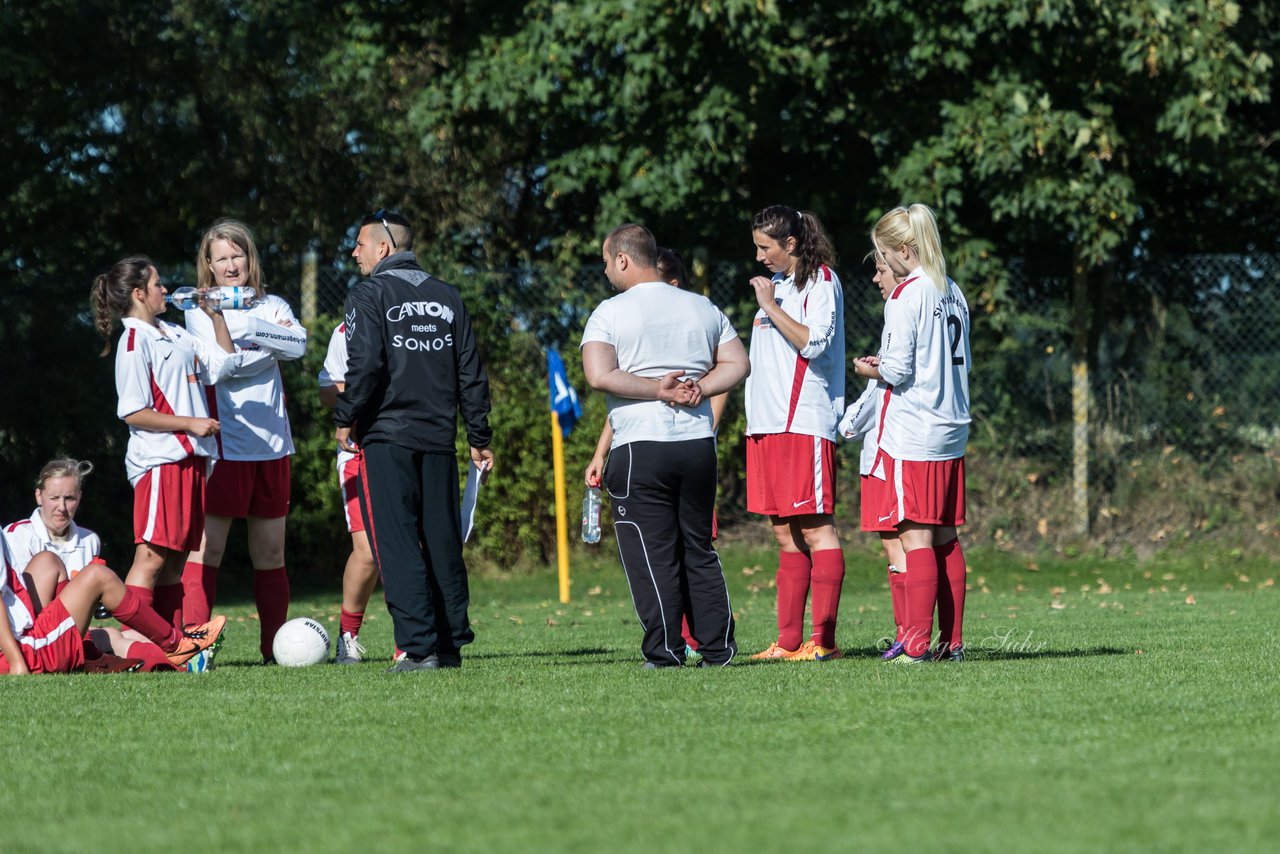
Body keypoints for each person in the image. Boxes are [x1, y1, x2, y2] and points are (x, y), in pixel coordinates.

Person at [581, 223, 749, 668]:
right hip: (696, 444)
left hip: (640, 446)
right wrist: (700, 388)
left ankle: (666, 650)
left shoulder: (609, 312)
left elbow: (599, 374)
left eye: (605, 261)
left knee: (651, 551)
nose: (604, 270)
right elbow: (739, 363)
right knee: (697, 546)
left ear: (622, 259)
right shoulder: (701, 306)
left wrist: (659, 390)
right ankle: (717, 649)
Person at [334, 209, 494, 673]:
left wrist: (347, 417)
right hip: (440, 439)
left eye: (360, 244)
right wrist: (478, 435)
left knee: (398, 541)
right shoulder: (448, 296)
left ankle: (418, 647)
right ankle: (448, 646)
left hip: (387, 435)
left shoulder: (369, 293)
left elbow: (366, 365)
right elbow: (471, 373)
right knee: (442, 540)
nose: (354, 252)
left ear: (384, 248)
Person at [90, 254, 247, 642]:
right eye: (158, 284)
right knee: (152, 557)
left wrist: (216, 316)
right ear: (140, 293)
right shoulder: (132, 341)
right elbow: (133, 412)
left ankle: (172, 646)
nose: (166, 289)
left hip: (193, 460)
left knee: (176, 559)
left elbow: (225, 364)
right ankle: (134, 645)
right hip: (161, 462)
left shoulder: (174, 333)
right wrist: (190, 423)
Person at [181, 219, 308, 664]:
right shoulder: (196, 311)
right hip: (225, 446)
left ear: (249, 257)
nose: (231, 265)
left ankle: (275, 651)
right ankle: (197, 647)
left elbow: (298, 347)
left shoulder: (274, 304)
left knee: (270, 553)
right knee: (207, 549)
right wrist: (254, 345)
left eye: (238, 255)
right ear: (209, 265)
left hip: (273, 445)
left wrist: (249, 333)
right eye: (222, 258)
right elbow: (218, 368)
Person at [855, 204, 971, 663]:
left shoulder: (907, 294)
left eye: (884, 255)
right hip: (953, 426)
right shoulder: (953, 290)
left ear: (905, 250)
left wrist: (870, 367)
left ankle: (917, 648)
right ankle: (952, 645)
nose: (883, 265)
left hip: (918, 428)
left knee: (915, 538)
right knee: (945, 536)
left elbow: (900, 370)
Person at [743, 205, 847, 662]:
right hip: (765, 426)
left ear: (790, 244)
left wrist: (768, 306)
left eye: (766, 247)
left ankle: (823, 642)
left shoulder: (820, 281)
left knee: (817, 530)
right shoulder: (780, 286)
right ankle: (788, 643)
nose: (760, 257)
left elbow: (816, 341)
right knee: (784, 534)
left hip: (802, 422)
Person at [2, 533, 225, 675]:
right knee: (97, 576)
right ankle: (179, 648)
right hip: (22, 652)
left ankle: (88, 657)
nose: (62, 506)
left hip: (21, 634)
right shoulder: (20, 531)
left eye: (69, 497)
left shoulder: (87, 538)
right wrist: (17, 663)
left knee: (47, 560)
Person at [839, 254, 909, 659]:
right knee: (899, 545)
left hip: (886, 454)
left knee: (898, 545)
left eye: (880, 270)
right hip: (885, 452)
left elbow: (882, 393)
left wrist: (847, 420)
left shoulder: (901, 308)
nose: (874, 278)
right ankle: (911, 633)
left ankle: (910, 635)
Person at [318, 321, 378, 664]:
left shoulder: (413, 322)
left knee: (412, 547)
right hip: (359, 453)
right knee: (368, 551)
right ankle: (348, 636)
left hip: (406, 448)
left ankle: (412, 642)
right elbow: (326, 389)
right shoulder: (349, 330)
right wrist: (356, 393)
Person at [4, 459, 102, 580]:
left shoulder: (90, 540)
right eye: (54, 498)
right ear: (38, 496)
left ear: (79, 497)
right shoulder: (18, 535)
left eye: (69, 498)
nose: (62, 507)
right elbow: (19, 595)